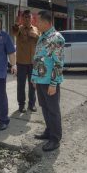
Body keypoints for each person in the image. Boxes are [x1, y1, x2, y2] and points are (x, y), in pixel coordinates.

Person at [31, 10, 65, 152]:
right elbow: (39, 58)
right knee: (45, 108)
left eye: (37, 21)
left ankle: (55, 138)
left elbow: (58, 63)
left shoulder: (56, 37)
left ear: (45, 22)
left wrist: (53, 83)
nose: (35, 23)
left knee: (53, 110)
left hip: (49, 82)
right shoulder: (43, 36)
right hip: (40, 80)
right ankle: (48, 131)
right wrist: (34, 78)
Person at [12, 10, 39, 113]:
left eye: (29, 17)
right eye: (25, 17)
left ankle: (31, 104)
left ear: (32, 18)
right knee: (21, 85)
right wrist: (15, 23)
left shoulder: (36, 29)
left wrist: (36, 36)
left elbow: (42, 41)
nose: (27, 19)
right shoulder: (18, 29)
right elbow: (14, 32)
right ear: (22, 18)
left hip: (33, 63)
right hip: (21, 63)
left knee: (33, 85)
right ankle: (21, 105)